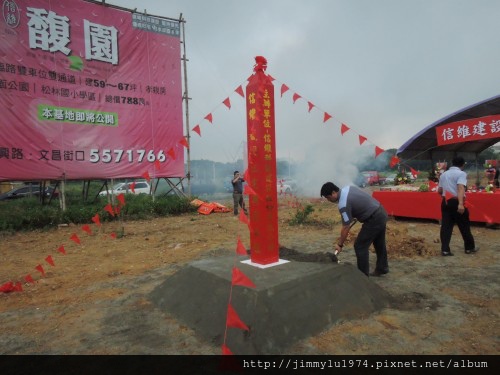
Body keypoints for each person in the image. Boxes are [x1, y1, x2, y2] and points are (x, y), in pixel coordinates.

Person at [320, 182, 389, 277]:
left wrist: (340, 244)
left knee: (360, 246)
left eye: (328, 197)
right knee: (379, 243)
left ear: (333, 193)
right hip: (381, 211)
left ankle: (362, 277)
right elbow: (359, 201)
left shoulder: (343, 204)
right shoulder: (348, 188)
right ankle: (382, 268)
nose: (328, 200)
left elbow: (345, 227)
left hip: (374, 219)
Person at [437, 156, 477, 256]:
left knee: (446, 226)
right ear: (462, 164)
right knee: (464, 225)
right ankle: (469, 248)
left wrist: (446, 195)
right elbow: (460, 188)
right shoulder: (461, 174)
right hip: (457, 202)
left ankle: (445, 249)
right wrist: (460, 204)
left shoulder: (443, 174)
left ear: (452, 163)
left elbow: (440, 191)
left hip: (445, 202)